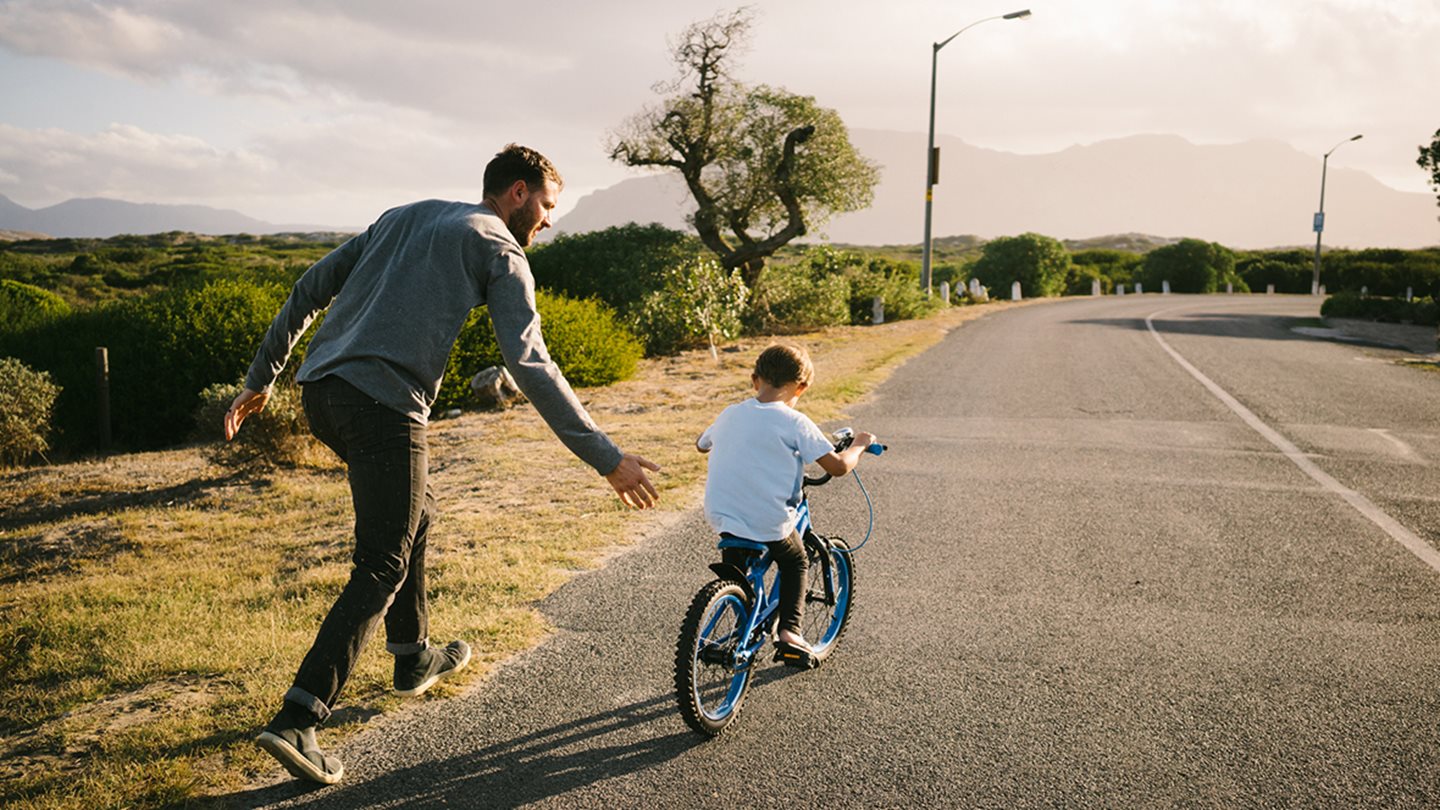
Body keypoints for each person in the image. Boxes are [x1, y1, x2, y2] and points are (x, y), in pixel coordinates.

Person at [224, 144, 660, 785]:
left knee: (416, 509)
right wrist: (606, 457)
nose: (546, 221)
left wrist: (263, 376)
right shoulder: (500, 250)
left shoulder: (405, 214)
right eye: (545, 206)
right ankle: (299, 716)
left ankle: (413, 655)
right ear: (516, 193)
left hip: (321, 392)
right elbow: (530, 363)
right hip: (383, 404)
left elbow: (309, 287)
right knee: (382, 559)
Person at [695, 343, 874, 661]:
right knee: (796, 561)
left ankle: (735, 615)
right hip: (769, 518)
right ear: (802, 387)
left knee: (737, 567)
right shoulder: (796, 423)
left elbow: (701, 444)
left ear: (755, 380)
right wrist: (858, 445)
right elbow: (838, 467)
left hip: (722, 513)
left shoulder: (730, 413)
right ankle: (790, 631)